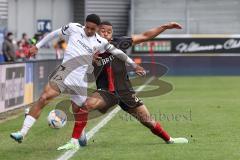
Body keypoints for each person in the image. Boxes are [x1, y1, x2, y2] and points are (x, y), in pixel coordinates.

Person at [10, 14, 146, 143]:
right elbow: (54, 34)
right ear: (84, 24)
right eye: (88, 27)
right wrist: (37, 46)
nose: (89, 30)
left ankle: (81, 136)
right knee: (44, 97)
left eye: (93, 29)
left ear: (97, 29)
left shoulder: (101, 42)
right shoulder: (73, 28)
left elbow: (118, 52)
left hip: (79, 80)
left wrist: (134, 65)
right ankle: (22, 133)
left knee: (79, 111)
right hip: (64, 72)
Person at [57, 21, 188, 150]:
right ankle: (76, 139)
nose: (106, 33)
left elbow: (145, 36)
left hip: (125, 91)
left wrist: (165, 26)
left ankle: (170, 140)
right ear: (97, 31)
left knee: (148, 121)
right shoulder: (89, 46)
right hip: (105, 92)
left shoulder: (119, 43)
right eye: (103, 30)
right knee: (85, 106)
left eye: (109, 32)